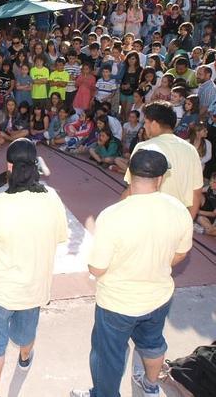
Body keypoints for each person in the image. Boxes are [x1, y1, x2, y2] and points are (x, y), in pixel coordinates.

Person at [71, 149, 193, 397]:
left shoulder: (112, 216)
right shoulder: (179, 210)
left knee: (108, 355)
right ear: (160, 178)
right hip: (158, 297)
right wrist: (155, 264)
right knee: (153, 343)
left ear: (129, 173)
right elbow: (181, 253)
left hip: (117, 303)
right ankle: (150, 386)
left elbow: (97, 268)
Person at [0, 139, 68, 397]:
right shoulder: (52, 197)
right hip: (35, 286)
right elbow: (61, 235)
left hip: (1, 290)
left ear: (9, 167)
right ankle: (25, 358)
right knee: (27, 330)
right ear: (35, 166)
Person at [123, 101, 204, 218]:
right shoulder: (191, 150)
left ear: (154, 124)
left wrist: (118, 212)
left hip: (148, 216)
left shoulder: (144, 147)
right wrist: (188, 222)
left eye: (145, 122)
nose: (144, 126)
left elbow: (132, 188)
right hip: (178, 218)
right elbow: (196, 192)